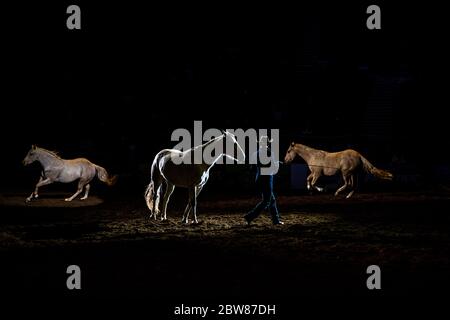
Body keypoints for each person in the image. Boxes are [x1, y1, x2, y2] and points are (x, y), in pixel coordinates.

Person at [244, 136, 284, 225]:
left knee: (271, 200)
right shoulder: (269, 152)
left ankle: (275, 220)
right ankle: (250, 216)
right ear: (267, 143)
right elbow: (273, 167)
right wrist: (277, 163)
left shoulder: (256, 153)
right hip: (267, 179)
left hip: (259, 179)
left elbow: (252, 168)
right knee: (267, 201)